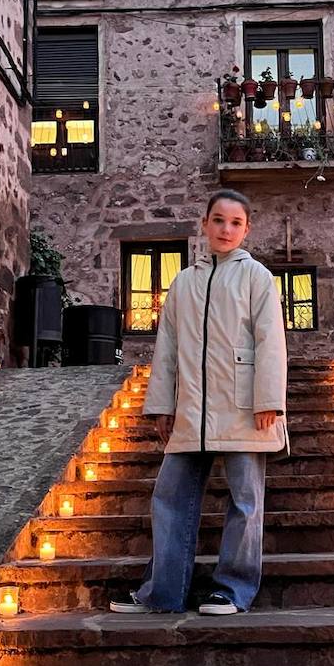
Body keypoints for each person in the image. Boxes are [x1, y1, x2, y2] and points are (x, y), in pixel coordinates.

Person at [109, 189, 288, 615]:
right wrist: (161, 406)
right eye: (219, 220)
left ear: (246, 229)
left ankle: (231, 591)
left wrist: (269, 399)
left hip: (246, 407)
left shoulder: (257, 277)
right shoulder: (183, 283)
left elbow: (272, 342)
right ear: (205, 224)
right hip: (191, 409)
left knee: (245, 502)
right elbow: (167, 348)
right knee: (169, 498)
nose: (226, 229)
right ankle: (162, 592)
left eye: (236, 223)